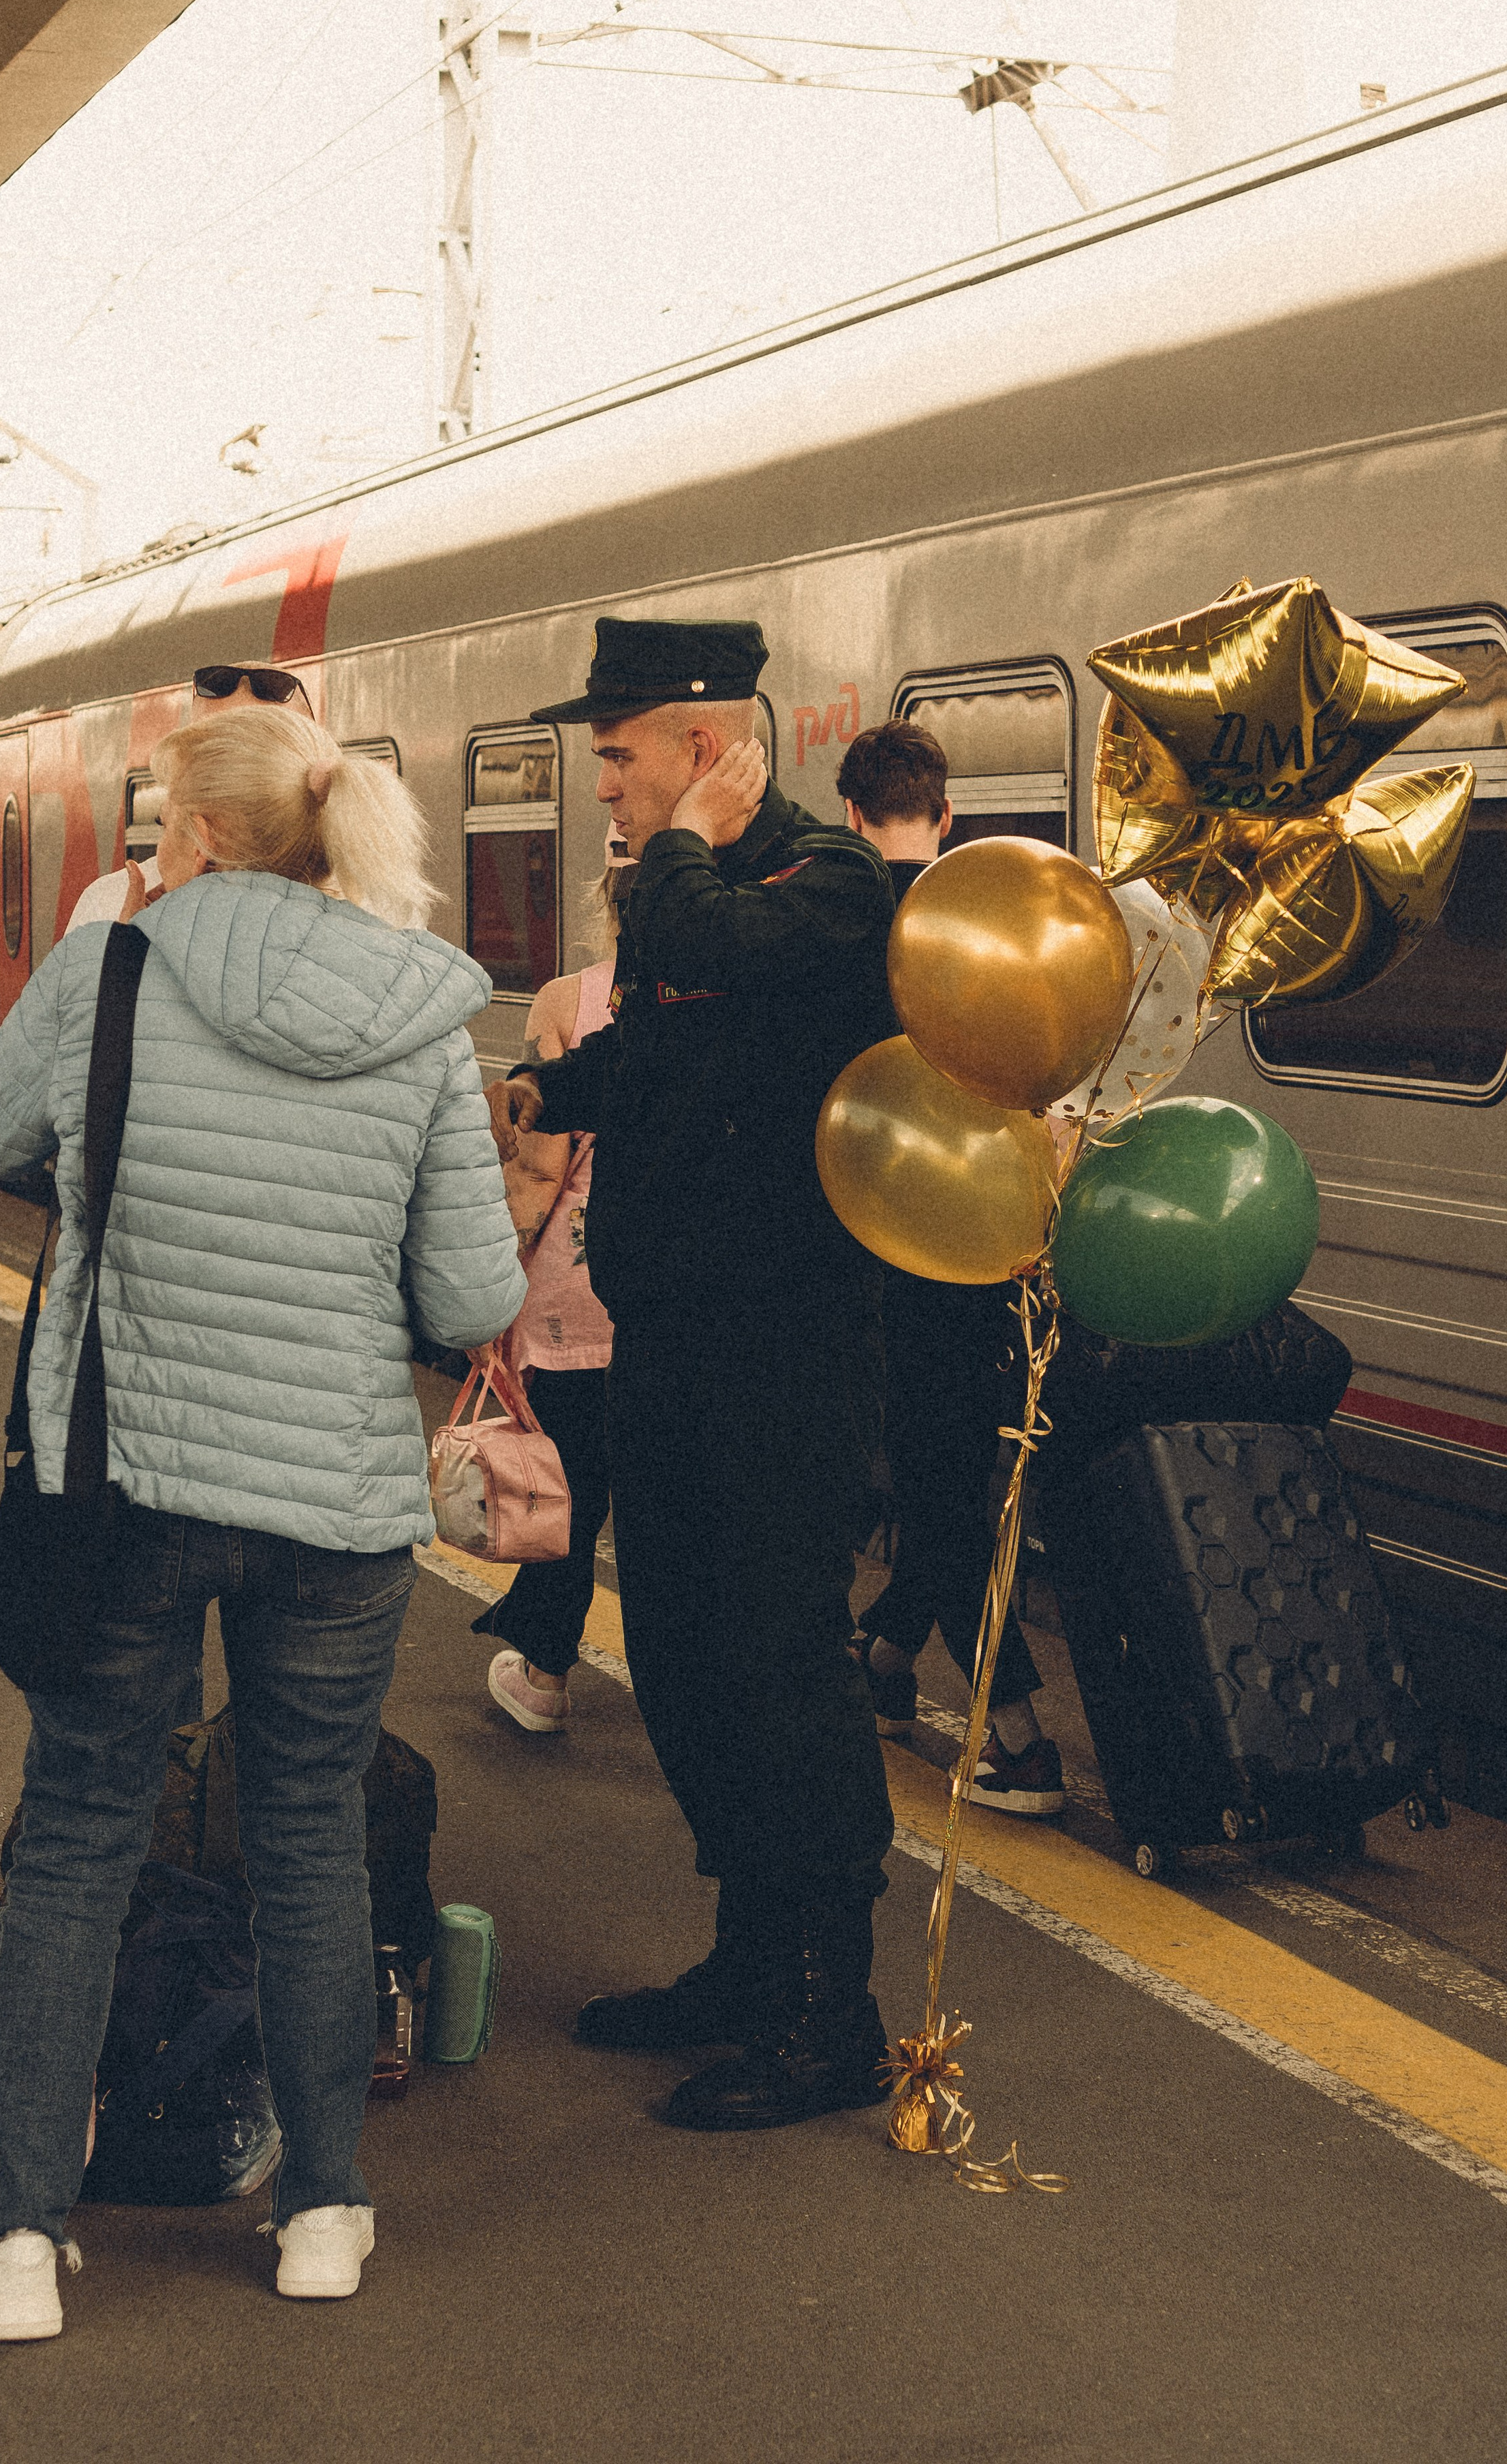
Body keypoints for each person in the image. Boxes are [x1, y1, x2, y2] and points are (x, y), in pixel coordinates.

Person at [0, 666, 524, 2341]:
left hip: (123, 1484)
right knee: (308, 1843)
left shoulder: (115, 961)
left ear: (188, 831)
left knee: (80, 1847)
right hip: (332, 1505)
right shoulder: (420, 1003)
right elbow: (470, 1288)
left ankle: (22, 2246)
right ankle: (324, 2212)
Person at [486, 617, 899, 2134]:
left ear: (707, 746)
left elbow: (695, 954)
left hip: (784, 1348)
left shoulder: (821, 882)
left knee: (778, 1662)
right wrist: (550, 1086)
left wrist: (676, 854)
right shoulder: (699, 891)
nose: (602, 785)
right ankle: (745, 1954)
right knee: (674, 1649)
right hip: (668, 1334)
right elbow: (665, 1049)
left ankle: (823, 2009)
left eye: (617, 755)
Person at [837, 718, 1065, 1815]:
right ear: (948, 815)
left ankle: (1019, 1741)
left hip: (875, 1255)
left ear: (848, 814)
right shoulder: (983, 929)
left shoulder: (841, 930)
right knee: (946, 1483)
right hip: (987, 1257)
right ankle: (882, 1662)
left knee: (933, 1494)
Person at [469, 839, 634, 1731]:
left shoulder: (570, 1002)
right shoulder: (718, 1003)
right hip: (670, 1290)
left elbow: (539, 1171)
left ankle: (543, 1676)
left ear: (605, 902)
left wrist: (496, 1284)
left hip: (574, 1286)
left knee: (567, 1481)